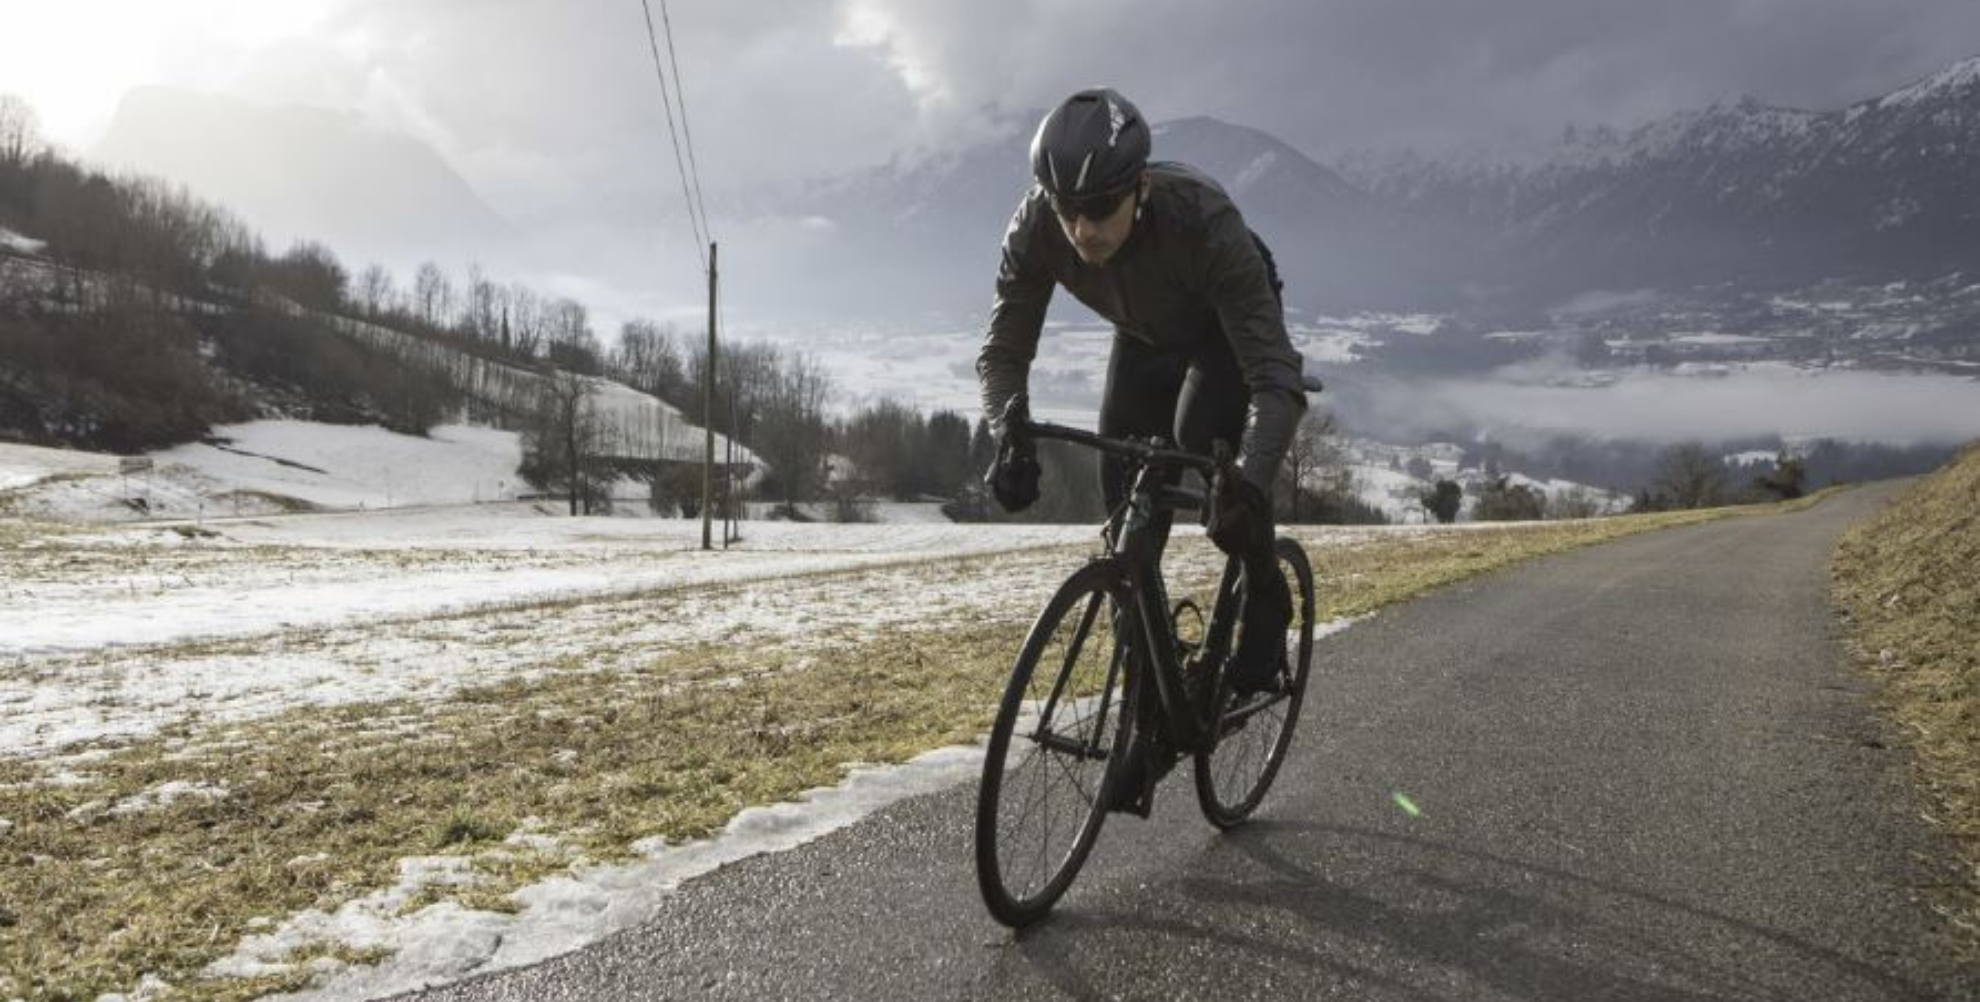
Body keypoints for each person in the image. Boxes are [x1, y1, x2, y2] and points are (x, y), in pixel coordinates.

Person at [976, 87, 1307, 706]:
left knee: (1203, 459)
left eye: (1100, 207)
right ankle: (1147, 684)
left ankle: (1265, 595)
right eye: (1066, 208)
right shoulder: (1037, 227)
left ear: (1140, 188)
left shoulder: (1203, 223)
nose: (1081, 228)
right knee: (1126, 507)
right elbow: (1002, 354)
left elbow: (1276, 380)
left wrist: (1250, 484)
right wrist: (1007, 430)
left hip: (1223, 333)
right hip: (1144, 334)